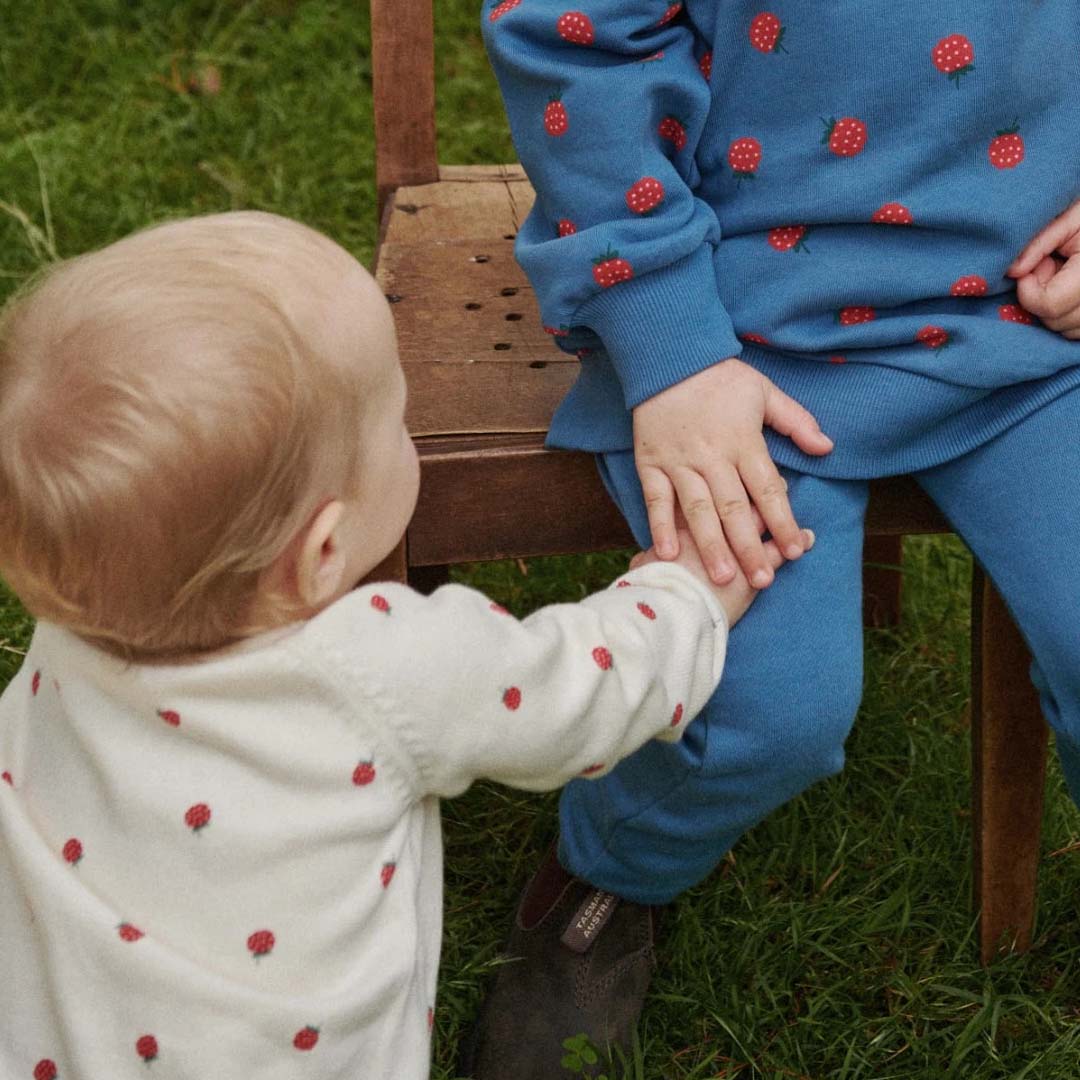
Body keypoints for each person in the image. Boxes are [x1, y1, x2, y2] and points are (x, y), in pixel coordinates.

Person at [0, 210, 811, 1080]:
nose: (407, 426)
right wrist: (689, 594)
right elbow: (586, 690)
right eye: (395, 420)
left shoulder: (75, 629)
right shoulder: (379, 668)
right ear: (321, 555)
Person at [467, 3, 1080, 1075]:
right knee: (761, 711)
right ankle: (610, 872)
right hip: (733, 330)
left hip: (1034, 316)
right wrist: (668, 339)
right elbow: (575, 36)